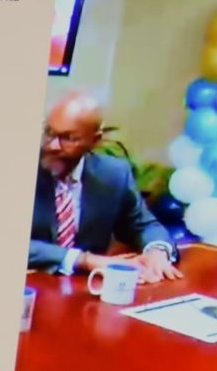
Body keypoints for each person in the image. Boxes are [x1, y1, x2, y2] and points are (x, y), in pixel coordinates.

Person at [28, 94, 182, 281]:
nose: (52, 146)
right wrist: (83, 260)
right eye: (49, 133)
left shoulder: (113, 174)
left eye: (68, 138)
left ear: (95, 141)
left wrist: (157, 251)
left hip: (85, 290)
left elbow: (143, 225)